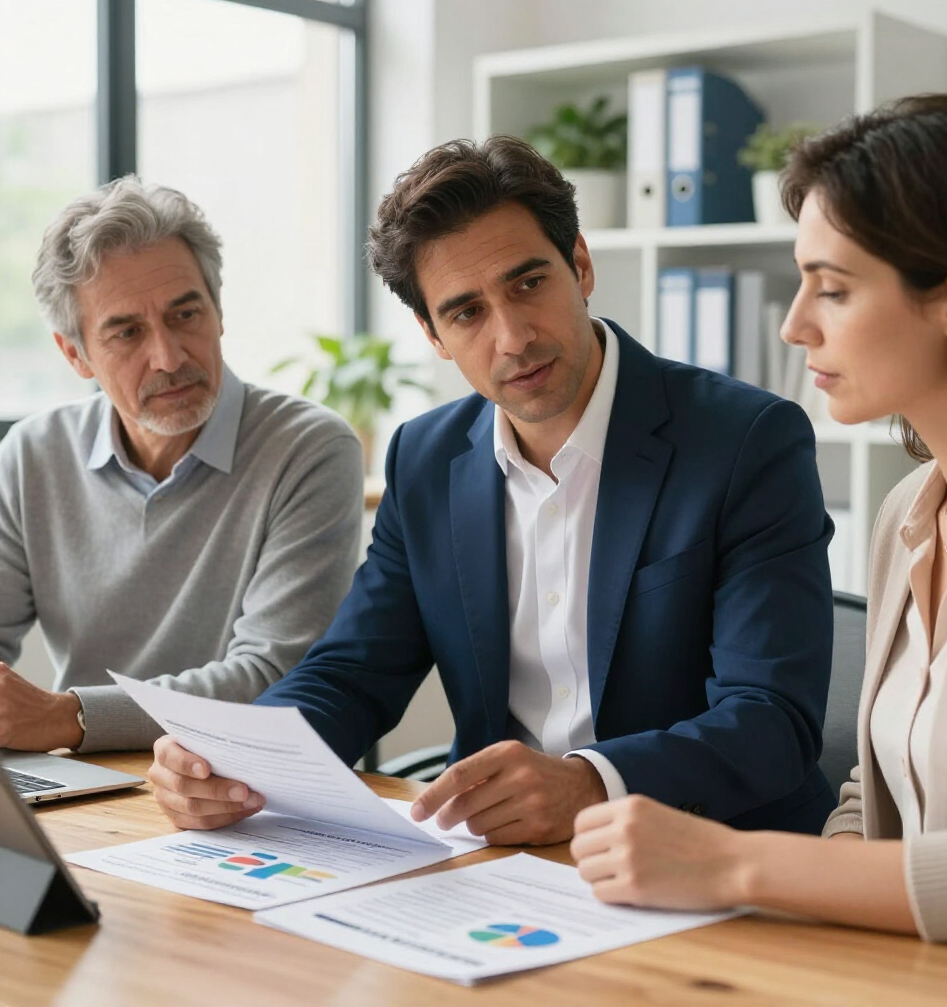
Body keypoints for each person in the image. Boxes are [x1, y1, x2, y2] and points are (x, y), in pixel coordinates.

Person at [149, 135, 835, 843]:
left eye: (529, 283)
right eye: (467, 312)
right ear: (433, 334)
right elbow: (353, 671)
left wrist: (591, 782)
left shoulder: (745, 441)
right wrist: (234, 758)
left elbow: (771, 719)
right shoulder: (427, 456)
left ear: (581, 265)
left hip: (712, 854)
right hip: (499, 859)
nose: (511, 337)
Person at [572, 93, 947, 947]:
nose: (794, 324)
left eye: (835, 289)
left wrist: (728, 864)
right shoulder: (907, 514)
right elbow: (874, 792)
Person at [0, 177, 364, 754]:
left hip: (239, 783)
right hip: (81, 782)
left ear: (218, 312)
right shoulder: (30, 455)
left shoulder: (308, 448)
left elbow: (273, 673)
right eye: (126, 332)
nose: (169, 357)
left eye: (185, 315)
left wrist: (72, 718)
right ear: (75, 354)